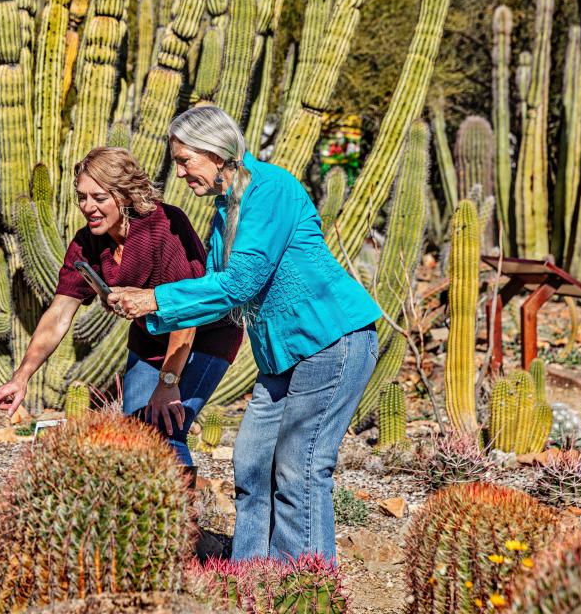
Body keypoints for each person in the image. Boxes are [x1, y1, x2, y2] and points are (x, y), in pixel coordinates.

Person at [106, 106, 381, 562]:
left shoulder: (269, 190)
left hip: (331, 341)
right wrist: (146, 313)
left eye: (185, 160)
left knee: (300, 468)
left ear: (217, 153)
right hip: (281, 357)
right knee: (251, 461)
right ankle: (250, 579)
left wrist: (154, 298)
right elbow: (217, 300)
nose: (179, 173)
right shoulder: (224, 213)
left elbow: (241, 283)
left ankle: (304, 589)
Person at [0, 147, 242, 476]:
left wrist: (168, 383)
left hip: (204, 336)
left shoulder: (164, 226)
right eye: (81, 197)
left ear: (125, 195)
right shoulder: (86, 243)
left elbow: (186, 313)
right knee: (133, 435)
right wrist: (21, 378)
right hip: (150, 341)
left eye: (99, 197)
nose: (87, 207)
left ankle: (181, 522)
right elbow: (59, 313)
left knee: (166, 431)